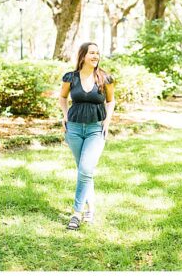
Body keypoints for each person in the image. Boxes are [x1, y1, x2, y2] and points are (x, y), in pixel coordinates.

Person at [58, 42, 115, 230]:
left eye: (97, 53)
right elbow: (63, 97)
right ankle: (91, 208)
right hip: (73, 129)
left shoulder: (105, 78)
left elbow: (110, 101)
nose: (95, 56)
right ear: (82, 56)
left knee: (85, 169)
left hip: (95, 129)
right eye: (92, 53)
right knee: (85, 172)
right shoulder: (71, 77)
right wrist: (65, 116)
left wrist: (107, 122)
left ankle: (76, 213)